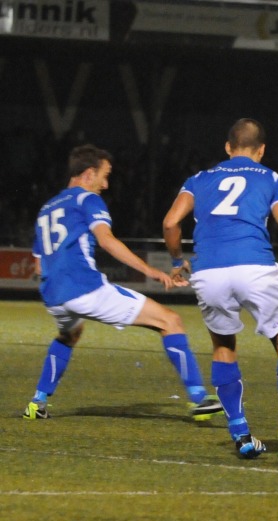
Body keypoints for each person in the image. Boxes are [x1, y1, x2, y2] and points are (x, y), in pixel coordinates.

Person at [162, 118, 278, 462]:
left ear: (227, 147)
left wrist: (177, 260)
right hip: (255, 267)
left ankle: (241, 435)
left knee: (223, 346)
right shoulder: (272, 179)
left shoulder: (198, 179)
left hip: (209, 271)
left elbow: (170, 222)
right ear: (261, 150)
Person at [26, 144, 222, 421]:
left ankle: (38, 401)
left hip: (54, 296)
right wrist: (150, 270)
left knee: (69, 335)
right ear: (89, 173)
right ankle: (199, 399)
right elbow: (107, 240)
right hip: (84, 289)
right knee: (170, 321)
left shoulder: (47, 208)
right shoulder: (87, 200)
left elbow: (37, 264)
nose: (105, 184)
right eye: (104, 176)